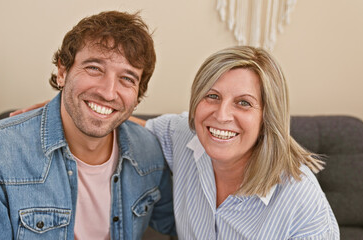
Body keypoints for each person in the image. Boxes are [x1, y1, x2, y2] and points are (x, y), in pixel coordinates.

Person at [0, 11, 175, 240]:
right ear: (62, 71)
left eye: (127, 79)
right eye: (94, 68)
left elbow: (187, 226)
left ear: (137, 97)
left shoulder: (149, 151)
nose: (108, 92)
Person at [137, 46, 339, 239]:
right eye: (212, 96)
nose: (222, 115)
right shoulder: (182, 134)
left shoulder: (303, 203)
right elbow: (123, 124)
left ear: (267, 117)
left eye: (244, 103)